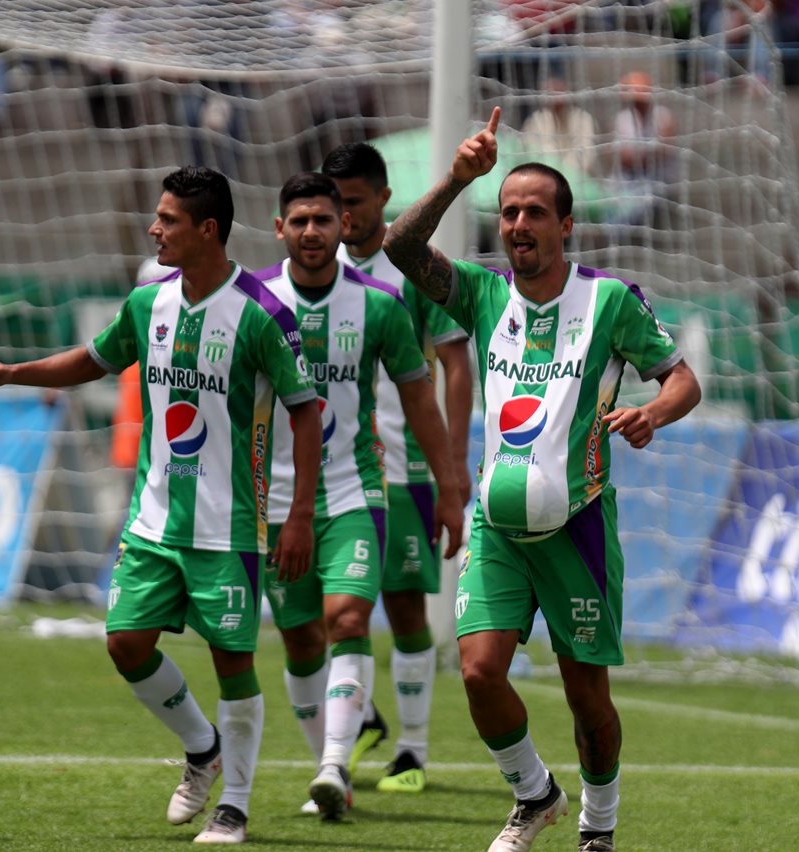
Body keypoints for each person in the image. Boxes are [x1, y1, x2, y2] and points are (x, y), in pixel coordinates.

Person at [0, 165, 323, 846]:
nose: (154, 228)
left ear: (207, 230)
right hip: (154, 521)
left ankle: (234, 805)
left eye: (168, 220)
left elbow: (305, 414)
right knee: (125, 643)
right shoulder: (148, 302)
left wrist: (297, 516)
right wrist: (10, 372)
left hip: (228, 528)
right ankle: (202, 748)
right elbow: (92, 361)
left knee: (232, 662)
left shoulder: (264, 315)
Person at [382, 108, 702, 852]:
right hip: (499, 528)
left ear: (566, 227)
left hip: (577, 528)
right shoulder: (481, 294)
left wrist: (653, 411)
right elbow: (400, 245)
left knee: (588, 700)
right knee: (477, 671)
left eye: (534, 212)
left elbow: (682, 379)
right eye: (508, 212)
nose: (518, 223)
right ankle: (534, 796)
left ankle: (598, 825)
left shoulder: (610, 303)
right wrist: (460, 178)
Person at [256, 171, 464, 820]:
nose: (315, 230)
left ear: (345, 224)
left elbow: (418, 399)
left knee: (351, 618)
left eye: (327, 219)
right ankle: (335, 772)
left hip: (356, 491)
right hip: (272, 501)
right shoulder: (254, 300)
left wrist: (450, 484)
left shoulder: (379, 304)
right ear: (280, 228)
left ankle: (338, 764)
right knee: (300, 640)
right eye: (302, 220)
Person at [322, 141, 474, 795]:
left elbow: (455, 363)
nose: (341, 216)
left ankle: (411, 749)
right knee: (323, 614)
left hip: (404, 464)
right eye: (333, 204)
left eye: (353, 202)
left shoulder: (411, 267)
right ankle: (360, 719)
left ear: (384, 198)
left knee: (405, 607)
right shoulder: (311, 267)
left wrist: (454, 469)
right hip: (329, 471)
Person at [611, 70, 678, 227]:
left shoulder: (663, 116)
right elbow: (624, 159)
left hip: (657, 177)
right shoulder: (623, 118)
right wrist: (649, 153)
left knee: (636, 204)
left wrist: (640, 156)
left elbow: (663, 152)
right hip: (628, 176)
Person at [520, 76, 598, 176]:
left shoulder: (583, 119)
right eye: (550, 93)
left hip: (579, 179)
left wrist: (566, 172)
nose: (555, 97)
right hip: (544, 177)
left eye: (558, 92)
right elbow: (530, 150)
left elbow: (586, 154)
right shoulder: (536, 120)